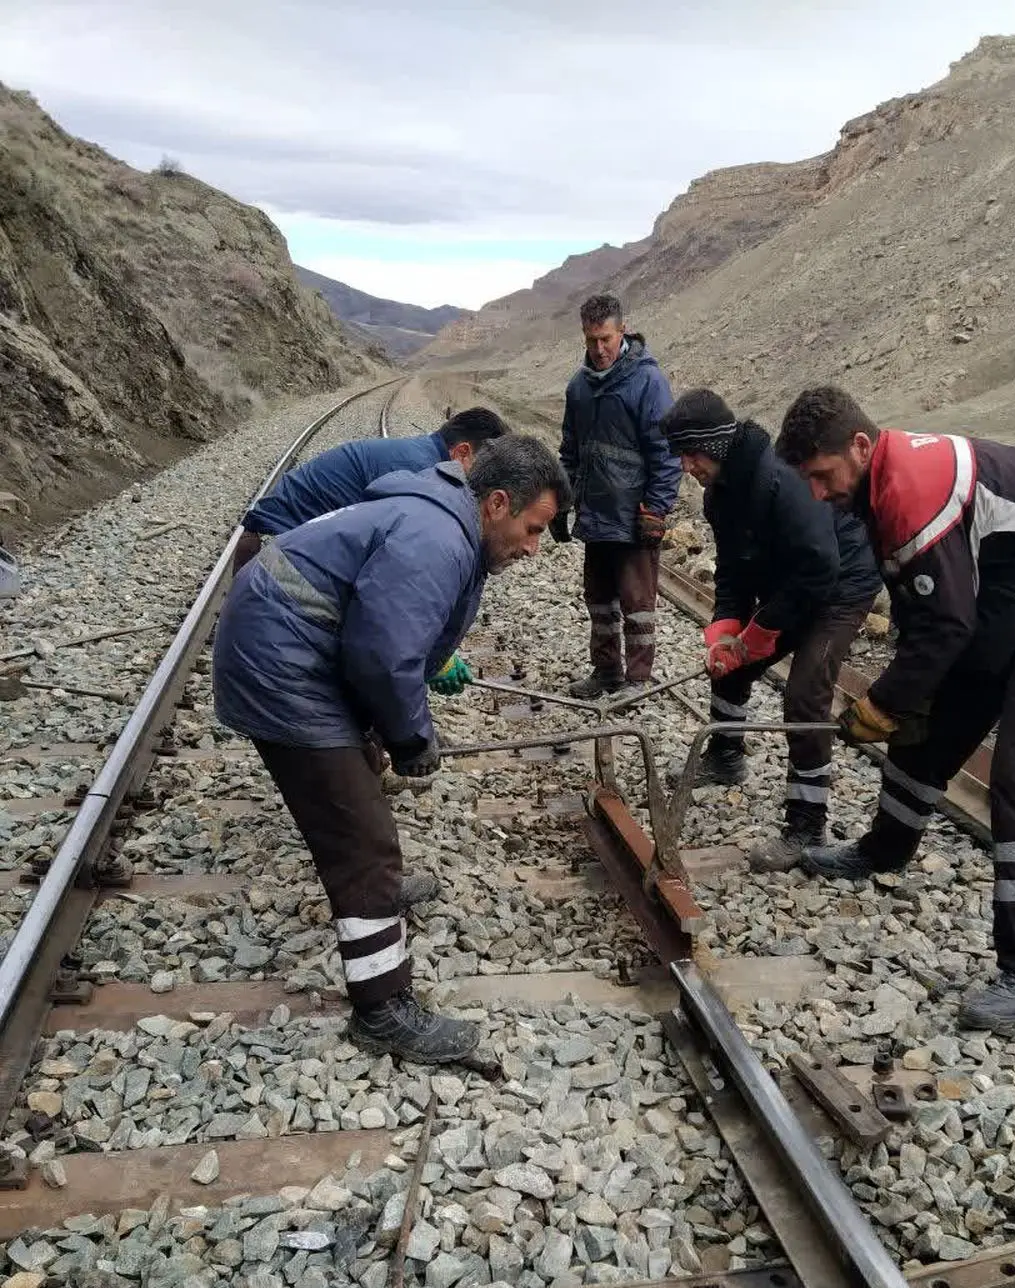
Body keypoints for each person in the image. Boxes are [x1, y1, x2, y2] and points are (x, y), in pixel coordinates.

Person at [774, 386, 1015, 1033]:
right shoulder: (875, 488)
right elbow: (928, 615)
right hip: (1008, 600)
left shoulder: (910, 489)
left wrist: (879, 703)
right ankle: (883, 850)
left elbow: (943, 629)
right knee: (925, 725)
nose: (819, 494)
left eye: (822, 477)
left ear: (859, 446)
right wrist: (903, 702)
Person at [213, 437, 571, 1064]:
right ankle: (382, 1010)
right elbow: (381, 656)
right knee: (364, 838)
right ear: (495, 503)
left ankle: (375, 898)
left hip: (295, 643)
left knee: (364, 766)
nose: (533, 547)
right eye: (533, 528)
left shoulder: (444, 519)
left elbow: (388, 636)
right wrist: (413, 739)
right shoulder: (437, 539)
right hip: (282, 662)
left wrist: (400, 720)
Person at [659, 389, 879, 865]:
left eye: (690, 453)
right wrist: (725, 628)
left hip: (840, 584)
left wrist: (760, 632)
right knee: (731, 666)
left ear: (714, 444)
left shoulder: (778, 481)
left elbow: (820, 571)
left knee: (804, 692)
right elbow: (735, 573)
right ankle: (726, 757)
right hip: (795, 582)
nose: (685, 466)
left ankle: (807, 827)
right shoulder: (720, 496)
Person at [554, 292, 681, 696]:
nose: (599, 348)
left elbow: (666, 452)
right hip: (596, 513)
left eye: (605, 338)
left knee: (637, 603)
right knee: (600, 601)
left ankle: (639, 680)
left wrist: (657, 510)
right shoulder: (579, 387)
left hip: (634, 515)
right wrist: (561, 500)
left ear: (622, 330)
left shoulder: (648, 381)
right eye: (591, 340)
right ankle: (606, 671)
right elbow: (570, 451)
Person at [232, 407, 509, 571]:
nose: (484, 482)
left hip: (280, 534)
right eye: (485, 468)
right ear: (462, 452)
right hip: (278, 550)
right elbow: (394, 560)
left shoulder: (422, 454)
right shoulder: (418, 472)